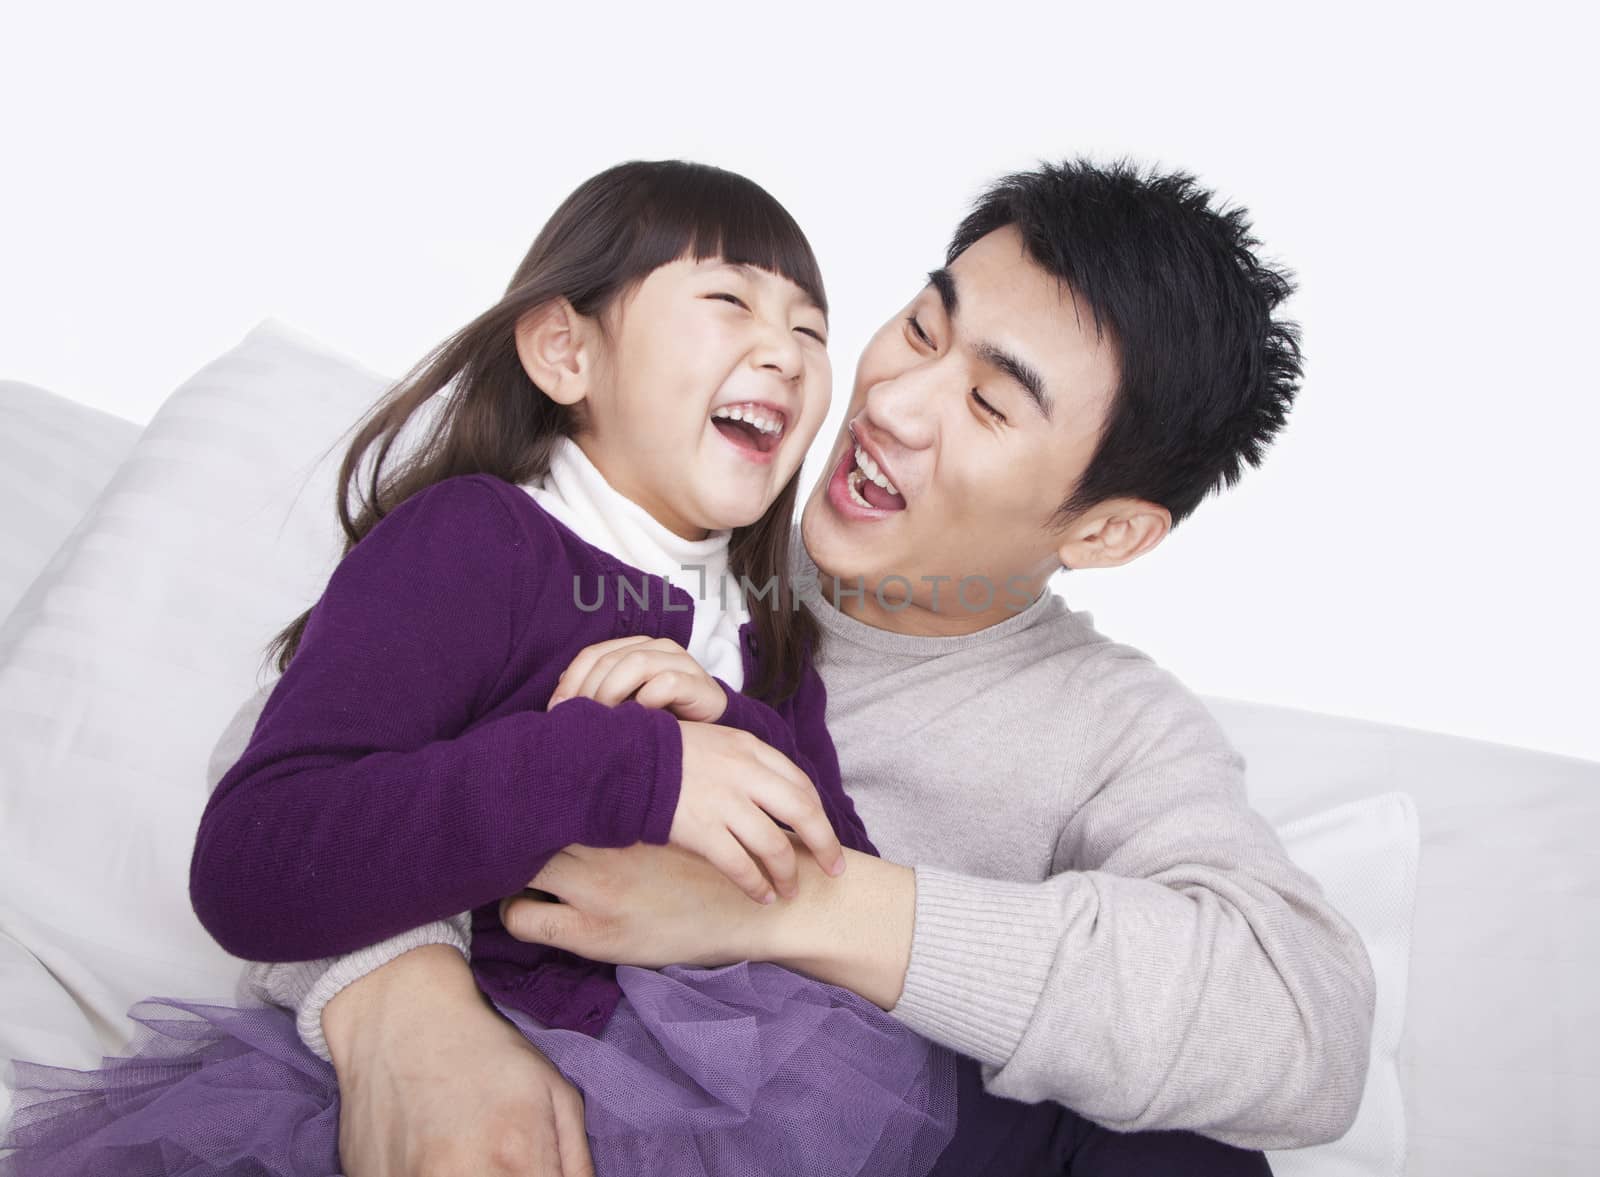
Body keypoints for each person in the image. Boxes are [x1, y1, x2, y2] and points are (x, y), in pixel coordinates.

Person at [279, 158, 1377, 1175]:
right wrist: (402, 1003)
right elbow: (302, 750)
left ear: (1103, 534)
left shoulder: (1112, 727)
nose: (890, 404)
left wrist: (790, 907)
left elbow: (1299, 1027)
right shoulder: (666, 524)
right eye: (920, 327)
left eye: (989, 403)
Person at [0, 159, 966, 1177]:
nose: (785, 353)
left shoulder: (767, 633)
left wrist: (730, 723)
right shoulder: (477, 538)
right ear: (564, 352)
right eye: (729, 302)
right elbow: (256, 855)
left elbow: (834, 883)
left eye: (811, 332)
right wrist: (622, 765)